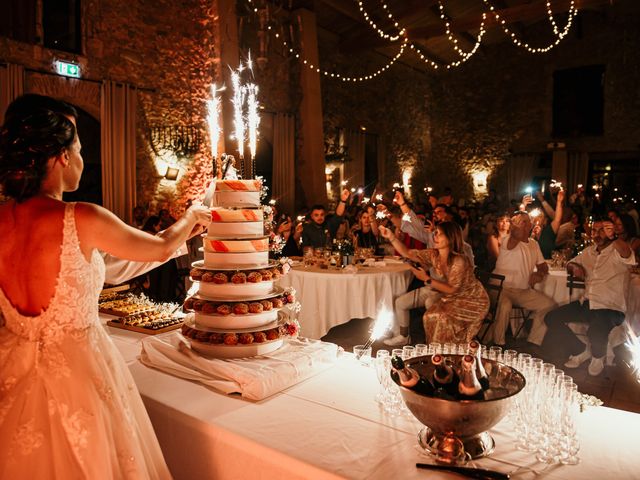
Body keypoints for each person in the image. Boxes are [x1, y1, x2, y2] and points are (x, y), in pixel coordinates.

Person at [0, 94, 210, 478]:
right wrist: (193, 216)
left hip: (11, 365)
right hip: (79, 368)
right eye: (79, 149)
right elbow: (160, 246)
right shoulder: (81, 216)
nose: (82, 159)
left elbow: (105, 267)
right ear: (62, 156)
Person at [542, 220, 635, 376]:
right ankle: (579, 349)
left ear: (609, 232)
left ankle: (598, 356)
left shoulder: (617, 250)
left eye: (601, 230)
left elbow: (627, 253)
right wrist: (574, 267)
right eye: (594, 231)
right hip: (587, 303)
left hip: (611, 307)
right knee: (551, 318)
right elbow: (570, 263)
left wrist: (614, 238)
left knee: (596, 329)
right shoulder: (588, 252)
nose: (597, 234)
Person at [380, 222, 489, 344]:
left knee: (435, 314)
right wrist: (392, 238)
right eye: (435, 233)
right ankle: (416, 341)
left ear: (450, 237)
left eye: (439, 234)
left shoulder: (459, 260)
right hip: (443, 293)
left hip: (469, 299)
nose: (434, 236)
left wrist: (427, 279)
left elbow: (453, 289)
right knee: (413, 308)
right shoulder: (434, 254)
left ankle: (445, 349)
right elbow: (408, 253)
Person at [486, 211, 556, 346]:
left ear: (530, 225)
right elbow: (515, 237)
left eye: (525, 222)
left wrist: (539, 274)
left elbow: (543, 267)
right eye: (520, 222)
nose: (522, 225)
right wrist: (515, 227)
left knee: (548, 304)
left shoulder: (534, 244)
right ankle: (498, 344)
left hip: (522, 291)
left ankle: (534, 341)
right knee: (505, 305)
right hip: (501, 288)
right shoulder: (508, 239)